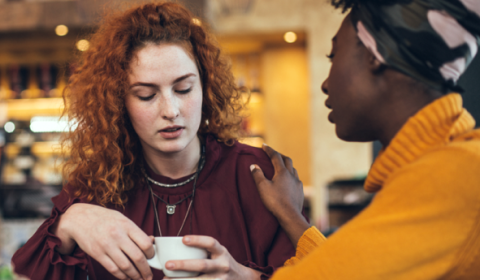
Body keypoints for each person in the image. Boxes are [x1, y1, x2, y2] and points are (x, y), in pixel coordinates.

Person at [162, 0, 480, 279]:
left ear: (374, 56)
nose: (326, 83)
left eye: (334, 55)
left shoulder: (453, 179)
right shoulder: (442, 166)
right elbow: (350, 269)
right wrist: (289, 212)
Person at [11, 2, 296, 280]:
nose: (171, 111)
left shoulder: (255, 175)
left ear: (205, 86)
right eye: (146, 95)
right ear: (119, 103)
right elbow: (25, 273)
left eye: (183, 89)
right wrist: (69, 223)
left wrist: (243, 277)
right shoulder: (97, 185)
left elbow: (316, 270)